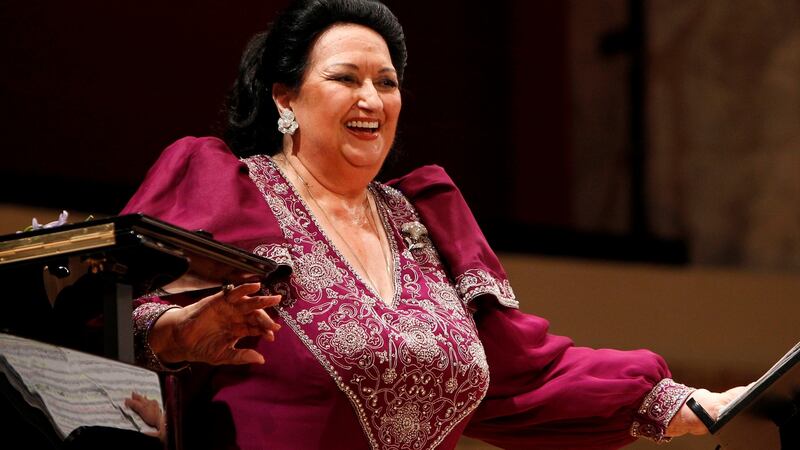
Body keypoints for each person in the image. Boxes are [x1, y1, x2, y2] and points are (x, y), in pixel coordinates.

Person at [121, 0, 746, 448]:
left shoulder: (424, 219)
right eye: (345, 78)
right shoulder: (225, 189)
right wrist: (176, 333)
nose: (372, 99)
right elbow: (111, 317)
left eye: (386, 82)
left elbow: (522, 373)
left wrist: (670, 404)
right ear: (285, 97)